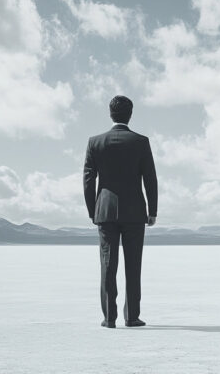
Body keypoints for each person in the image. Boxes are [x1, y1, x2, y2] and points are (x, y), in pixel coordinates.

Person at [83, 95, 157, 328]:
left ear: (110, 113)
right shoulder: (141, 142)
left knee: (108, 264)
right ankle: (132, 316)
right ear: (130, 114)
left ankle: (109, 317)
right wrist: (152, 210)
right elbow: (150, 179)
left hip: (105, 212)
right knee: (133, 265)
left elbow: (88, 180)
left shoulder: (95, 142)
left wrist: (92, 210)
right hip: (135, 211)